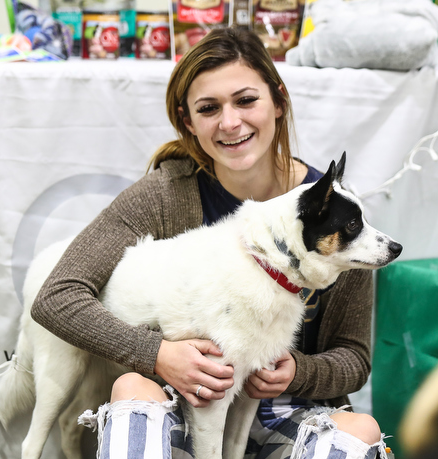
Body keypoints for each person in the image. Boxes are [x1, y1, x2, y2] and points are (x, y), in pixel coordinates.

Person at [31, 26, 386, 459]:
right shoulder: (163, 194)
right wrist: (158, 354)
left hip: (286, 411)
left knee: (360, 430)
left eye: (245, 100)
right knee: (131, 389)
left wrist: (298, 372)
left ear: (278, 100)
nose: (230, 122)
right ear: (189, 122)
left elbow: (354, 357)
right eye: (209, 108)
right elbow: (57, 297)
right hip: (180, 399)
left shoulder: (333, 214)